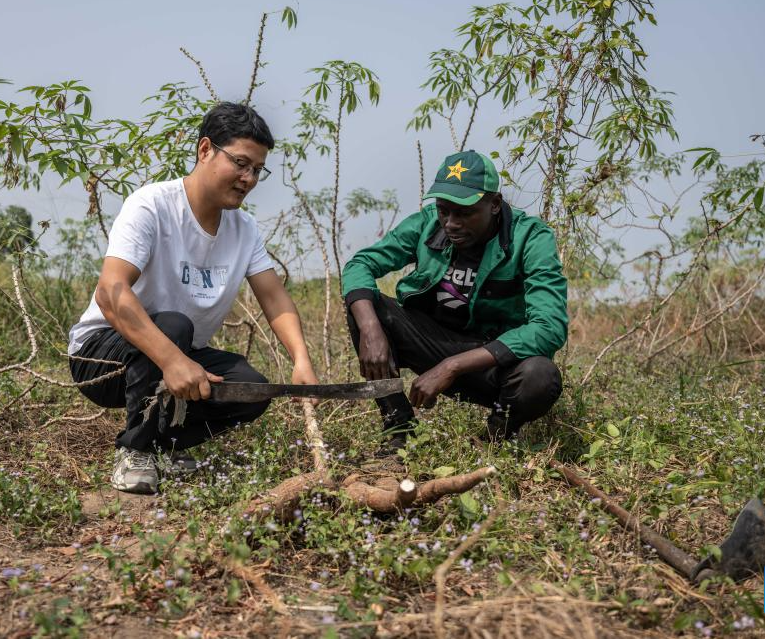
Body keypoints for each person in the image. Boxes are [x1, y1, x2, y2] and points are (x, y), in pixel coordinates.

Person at [68, 102, 318, 494]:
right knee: (173, 325)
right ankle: (135, 452)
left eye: (257, 170)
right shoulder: (152, 205)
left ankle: (165, 444)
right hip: (100, 356)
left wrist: (301, 360)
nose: (248, 178)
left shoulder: (244, 228)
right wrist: (171, 360)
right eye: (240, 163)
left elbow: (275, 299)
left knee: (251, 388)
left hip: (176, 351)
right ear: (205, 150)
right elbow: (110, 291)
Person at [342, 149, 567, 450]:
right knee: (366, 308)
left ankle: (493, 441)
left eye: (464, 213)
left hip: (491, 362)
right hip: (433, 343)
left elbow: (549, 327)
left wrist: (452, 366)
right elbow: (360, 265)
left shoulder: (531, 238)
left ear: (495, 204)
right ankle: (399, 429)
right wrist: (370, 329)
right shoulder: (426, 224)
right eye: (444, 210)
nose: (450, 223)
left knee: (540, 376)